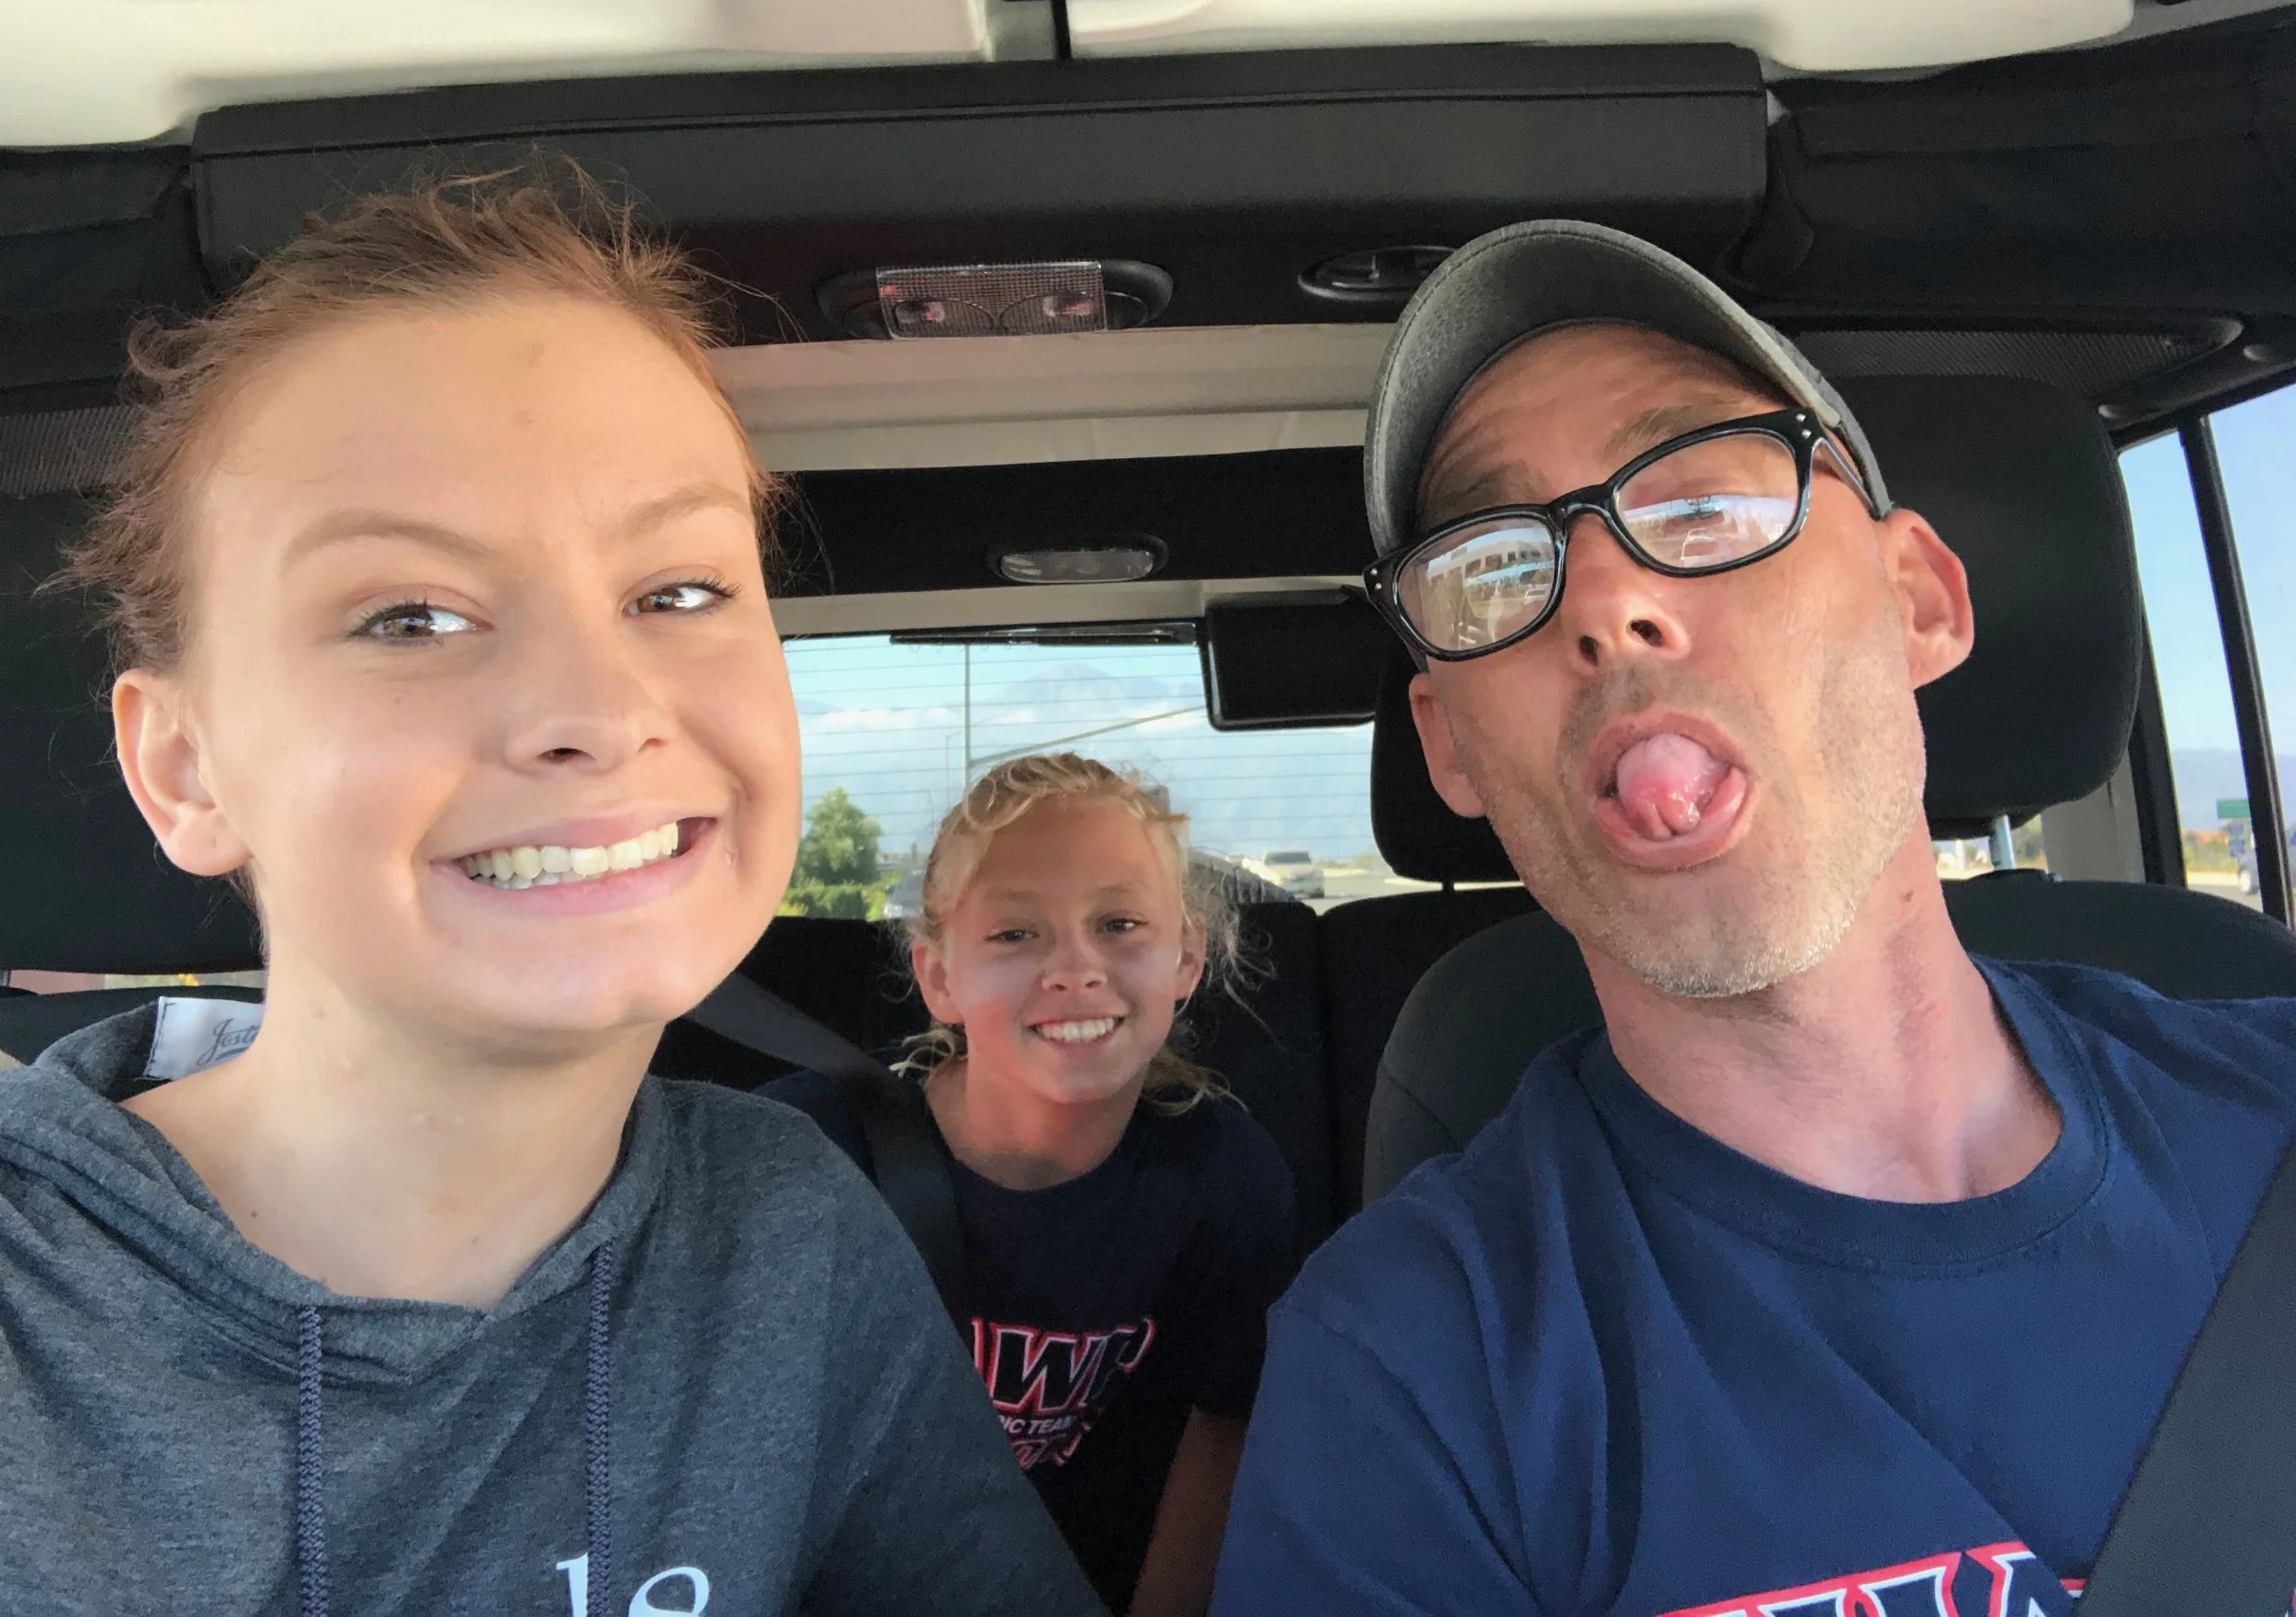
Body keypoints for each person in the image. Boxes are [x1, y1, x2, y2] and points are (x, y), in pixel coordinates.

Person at [0, 174, 1100, 1616]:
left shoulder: (782, 1234)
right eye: (411, 615)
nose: (600, 706)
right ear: (184, 766)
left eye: (678, 591)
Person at [1209, 220, 2296, 1617]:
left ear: (1918, 598)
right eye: (1494, 568)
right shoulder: (1407, 1367)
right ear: (1449, 747)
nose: (1604, 602)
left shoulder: (2274, 1110)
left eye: (1704, 504)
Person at [770, 755, 1296, 1617]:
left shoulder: (1221, 1182)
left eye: (1120, 923)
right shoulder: (809, 1154)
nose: (1074, 968)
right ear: (939, 976)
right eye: (1015, 934)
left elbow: (1224, 1425)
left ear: (1187, 957)